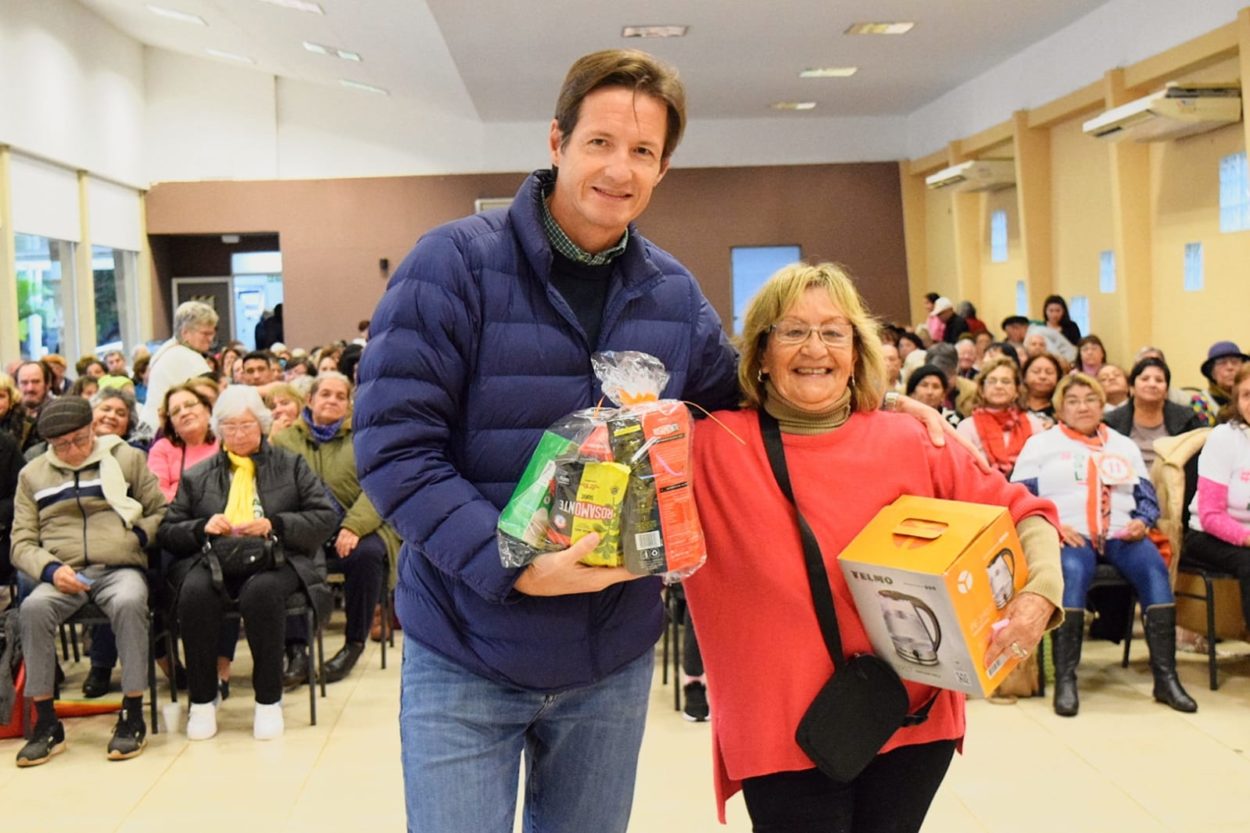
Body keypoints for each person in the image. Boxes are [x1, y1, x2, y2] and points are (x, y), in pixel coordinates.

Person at [352, 48, 742, 832]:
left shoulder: (673, 293)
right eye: (600, 142)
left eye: (643, 152)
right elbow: (395, 448)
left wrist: (880, 408)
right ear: (557, 141)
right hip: (465, 644)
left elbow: (736, 419)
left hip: (610, 655)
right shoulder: (453, 264)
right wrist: (513, 564)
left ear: (664, 169)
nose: (619, 169)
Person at [684, 262, 1062, 831]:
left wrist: (1039, 597)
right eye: (793, 331)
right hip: (780, 729)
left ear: (857, 352)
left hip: (909, 716)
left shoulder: (915, 438)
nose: (816, 348)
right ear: (761, 352)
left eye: (834, 332)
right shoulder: (708, 446)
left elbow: (1024, 512)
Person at [1012, 373, 1197, 717]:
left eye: (1090, 399)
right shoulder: (1041, 445)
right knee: (1071, 572)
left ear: (1103, 404)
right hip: (1069, 534)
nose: (1083, 407)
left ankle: (1166, 679)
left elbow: (1148, 499)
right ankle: (1067, 681)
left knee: (1154, 569)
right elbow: (1021, 497)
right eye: (1073, 401)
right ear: (1060, 407)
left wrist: (1143, 520)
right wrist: (1052, 525)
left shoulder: (1122, 444)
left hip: (1121, 534)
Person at [157, 385, 335, 741]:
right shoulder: (198, 475)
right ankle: (203, 700)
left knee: (262, 593)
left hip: (276, 558)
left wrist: (276, 524)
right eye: (230, 427)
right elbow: (167, 530)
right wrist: (201, 527)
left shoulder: (291, 465)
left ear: (263, 425)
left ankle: (269, 700)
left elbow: (324, 516)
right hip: (214, 560)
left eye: (246, 426)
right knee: (195, 594)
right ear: (219, 430)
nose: (238, 435)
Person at [10, 397, 167, 766]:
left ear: (92, 429)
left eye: (80, 439)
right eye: (62, 445)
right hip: (63, 572)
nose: (74, 450)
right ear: (49, 443)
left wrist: (138, 538)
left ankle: (132, 713)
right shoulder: (33, 475)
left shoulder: (126, 459)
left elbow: (160, 510)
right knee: (32, 608)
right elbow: (21, 542)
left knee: (130, 603)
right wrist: (50, 570)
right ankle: (46, 722)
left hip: (119, 567)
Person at [272, 372, 399, 683]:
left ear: (349, 404)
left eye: (340, 396)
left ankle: (353, 644)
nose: (332, 400)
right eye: (325, 394)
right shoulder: (284, 440)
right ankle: (297, 649)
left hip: (359, 525)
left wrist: (354, 527)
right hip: (306, 526)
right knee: (288, 558)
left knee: (366, 555)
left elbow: (378, 488)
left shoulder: (365, 438)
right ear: (310, 400)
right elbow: (278, 488)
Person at [1183, 363, 1250, 638]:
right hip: (1209, 535)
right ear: (1236, 399)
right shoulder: (1224, 437)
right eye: (1246, 395)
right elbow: (1210, 514)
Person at [956, 356, 1048, 478]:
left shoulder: (1033, 424)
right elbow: (962, 468)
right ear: (982, 390)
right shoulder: (967, 427)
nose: (998, 386)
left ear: (1016, 390)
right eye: (992, 381)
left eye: (1006, 381)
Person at [1103, 358, 1202, 468]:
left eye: (1159, 380)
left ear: (1166, 391)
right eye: (1145, 379)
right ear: (1132, 388)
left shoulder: (1188, 419)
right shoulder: (1111, 422)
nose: (1152, 384)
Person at [141, 301, 218, 431]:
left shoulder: (166, 348)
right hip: (165, 430)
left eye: (212, 333)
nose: (211, 339)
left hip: (149, 426)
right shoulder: (188, 357)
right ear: (185, 333)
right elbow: (214, 395)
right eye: (205, 333)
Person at [1192, 340, 1249, 426]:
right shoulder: (1200, 401)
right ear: (1212, 373)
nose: (1230, 368)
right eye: (1222, 363)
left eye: (1235, 362)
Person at [14, 361, 55, 452]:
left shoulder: (57, 414)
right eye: (24, 383)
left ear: (48, 384)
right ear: (16, 386)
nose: (30, 388)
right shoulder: (9, 415)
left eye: (36, 382)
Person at [1022, 352, 1063, 428]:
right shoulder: (1012, 405)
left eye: (1049, 372)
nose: (1042, 376)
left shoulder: (1063, 410)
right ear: (1024, 376)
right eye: (1036, 371)